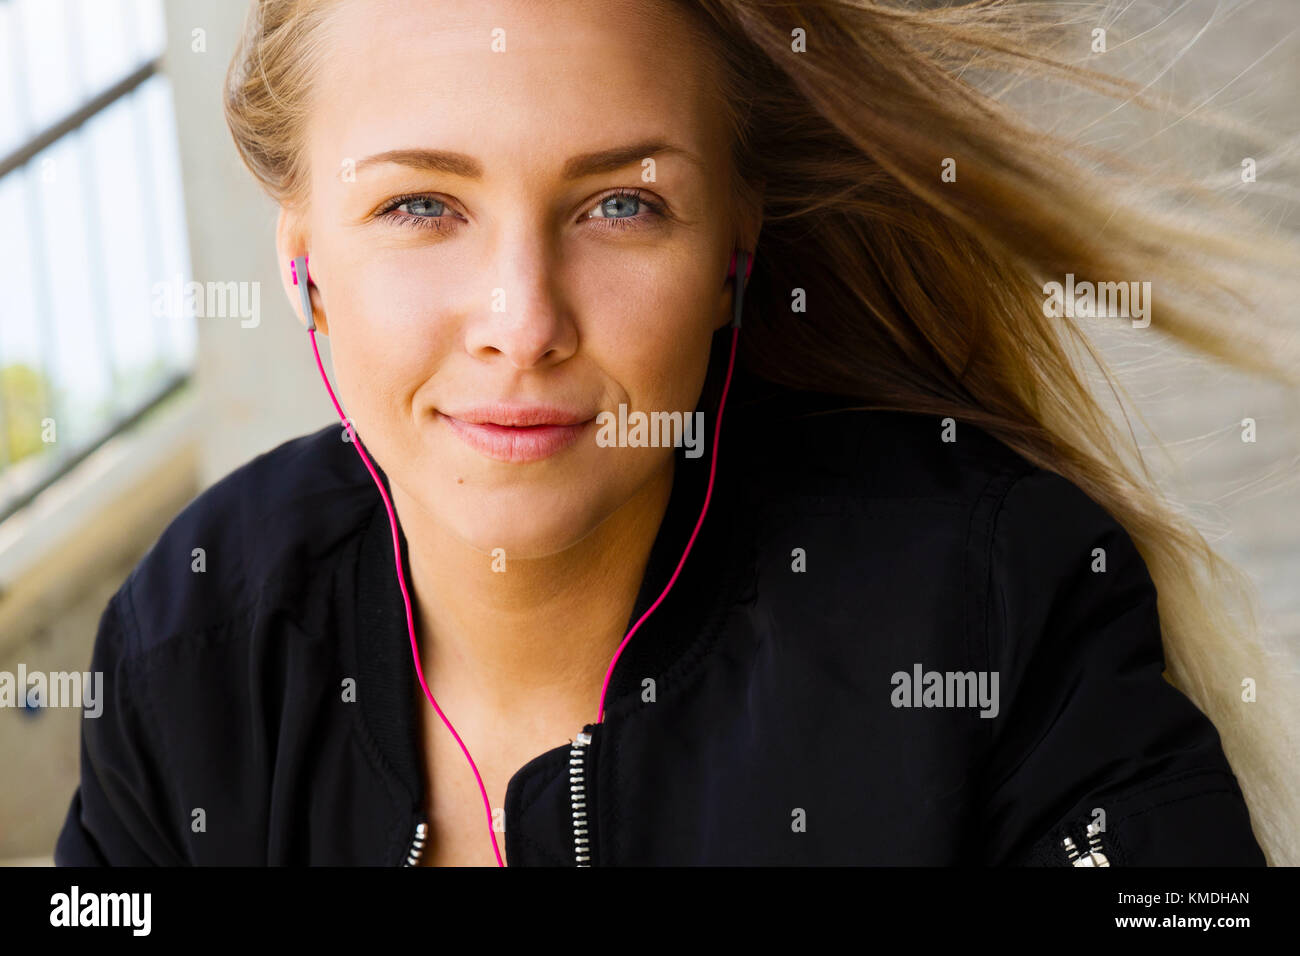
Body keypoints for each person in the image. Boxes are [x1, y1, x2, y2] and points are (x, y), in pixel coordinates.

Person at [55, 0, 1297, 866]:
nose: (522, 321)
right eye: (421, 204)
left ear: (730, 255)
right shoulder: (193, 635)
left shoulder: (991, 594)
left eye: (620, 204)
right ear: (305, 261)